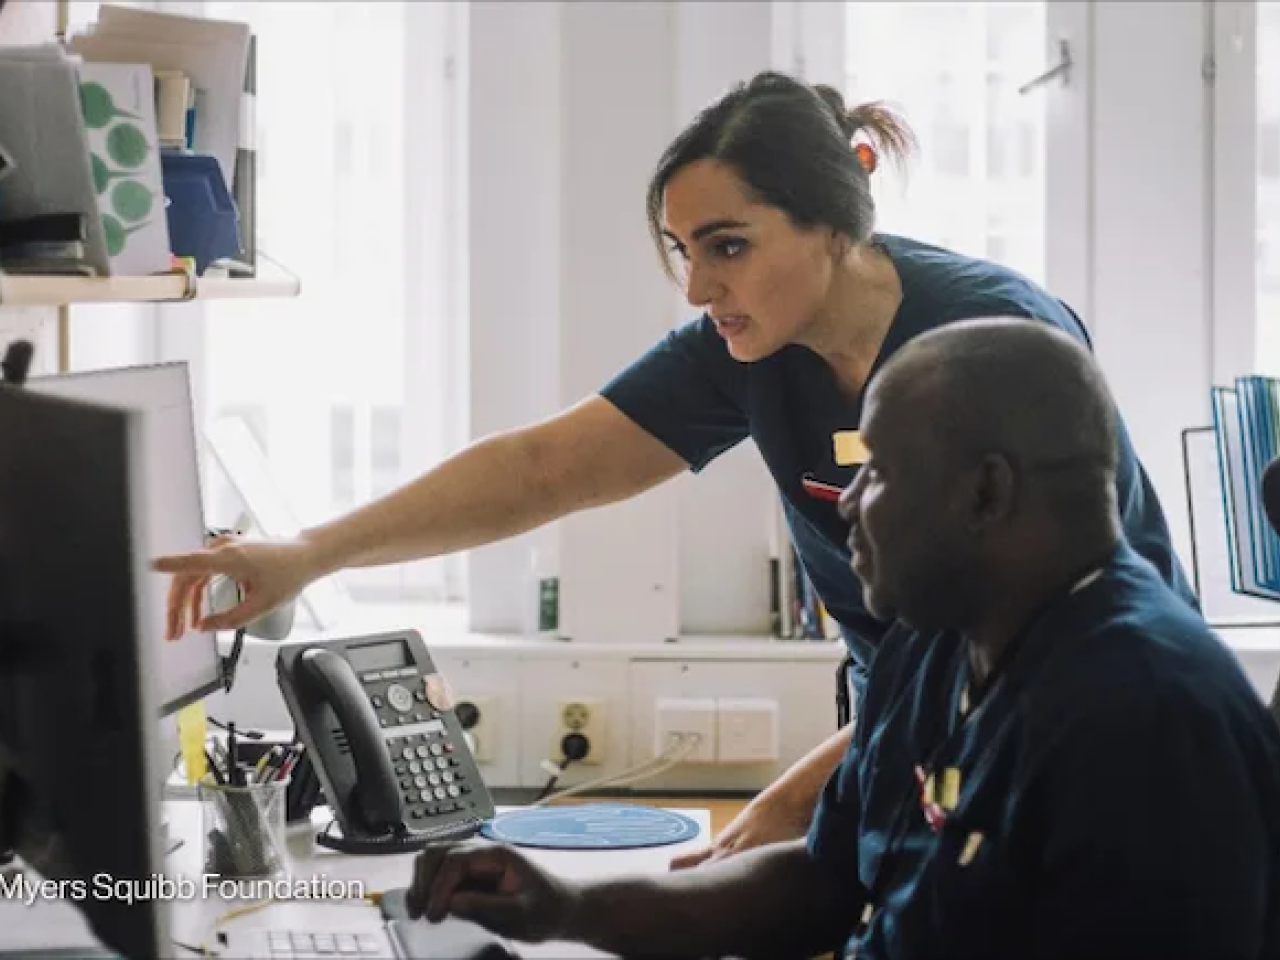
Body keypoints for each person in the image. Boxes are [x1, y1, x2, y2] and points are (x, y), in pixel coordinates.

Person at [153, 71, 1196, 867]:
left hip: (1067, 750)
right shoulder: (747, 350)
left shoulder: (992, 344)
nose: (698, 284)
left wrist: (778, 817)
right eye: (679, 249)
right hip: (901, 748)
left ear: (833, 223)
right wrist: (308, 553)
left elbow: (1011, 659)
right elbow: (543, 469)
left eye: (727, 246)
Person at [402, 319, 1280, 960]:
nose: (844, 503)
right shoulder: (938, 641)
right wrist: (567, 911)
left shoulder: (1147, 715)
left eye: (879, 474)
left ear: (987, 494)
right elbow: (822, 884)